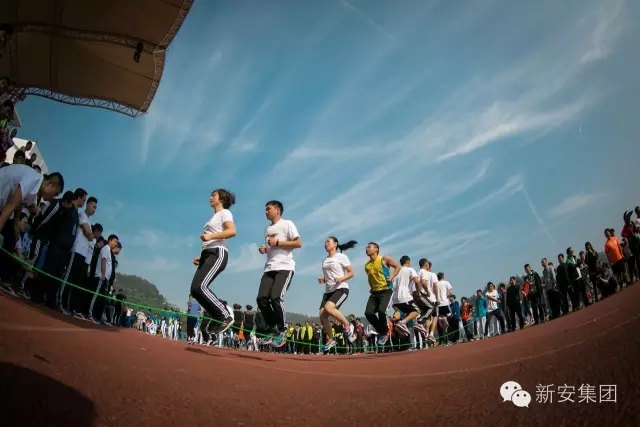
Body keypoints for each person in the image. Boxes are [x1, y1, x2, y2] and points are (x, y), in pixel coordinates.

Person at [190, 189, 237, 337]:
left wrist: (210, 236)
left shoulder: (225, 213)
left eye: (213, 195)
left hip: (218, 253)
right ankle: (218, 315)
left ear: (221, 199)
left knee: (200, 286)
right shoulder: (214, 217)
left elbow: (232, 231)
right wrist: (202, 257)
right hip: (208, 254)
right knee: (195, 289)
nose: (210, 197)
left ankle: (225, 314)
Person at [256, 200, 302, 347]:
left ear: (277, 210)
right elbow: (272, 248)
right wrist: (265, 249)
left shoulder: (287, 224)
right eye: (265, 210)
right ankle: (273, 328)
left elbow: (298, 243)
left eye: (268, 209)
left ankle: (282, 330)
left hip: (285, 267)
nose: (265, 212)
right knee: (261, 299)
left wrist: (278, 242)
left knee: (275, 297)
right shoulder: (267, 229)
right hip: (269, 268)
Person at [0, 165, 64, 239]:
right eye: (55, 194)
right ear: (49, 184)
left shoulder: (35, 191)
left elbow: (19, 205)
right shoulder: (32, 179)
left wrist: (16, 223)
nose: (53, 197)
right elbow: (9, 208)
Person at [317, 236, 356, 352]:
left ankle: (347, 325)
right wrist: (324, 279)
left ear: (335, 244)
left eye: (328, 242)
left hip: (341, 288)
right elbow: (330, 276)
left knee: (329, 308)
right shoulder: (325, 260)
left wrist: (341, 278)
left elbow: (351, 273)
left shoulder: (341, 257)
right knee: (322, 315)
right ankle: (331, 338)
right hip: (328, 291)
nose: (326, 244)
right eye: (325, 242)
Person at [363, 242, 400, 347]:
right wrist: (371, 288)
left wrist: (391, 277)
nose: (367, 249)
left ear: (376, 249)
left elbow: (397, 267)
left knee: (381, 311)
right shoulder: (367, 265)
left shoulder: (384, 259)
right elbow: (370, 278)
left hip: (386, 290)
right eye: (366, 247)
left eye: (369, 247)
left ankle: (384, 332)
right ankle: (382, 331)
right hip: (374, 292)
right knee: (368, 313)